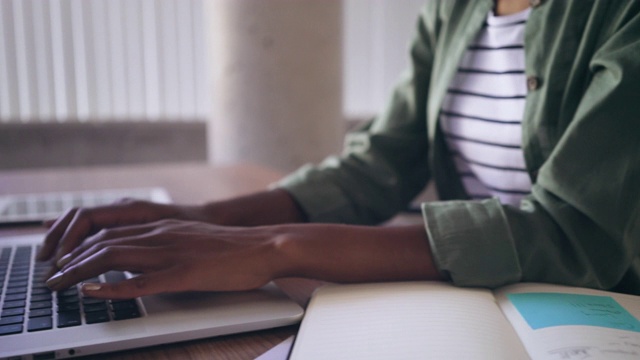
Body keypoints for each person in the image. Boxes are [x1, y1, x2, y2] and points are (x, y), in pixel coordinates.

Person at [39, 0, 640, 298]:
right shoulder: (453, 7)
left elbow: (571, 231)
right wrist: (207, 219)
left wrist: (276, 247)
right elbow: (381, 161)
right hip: (487, 299)